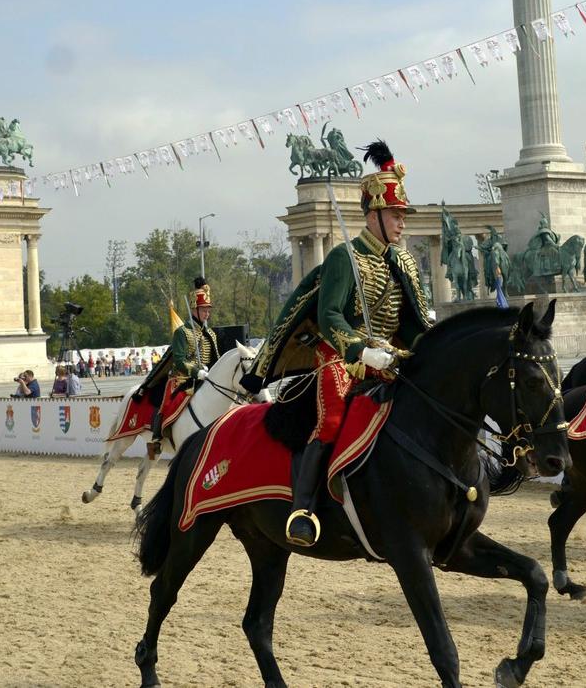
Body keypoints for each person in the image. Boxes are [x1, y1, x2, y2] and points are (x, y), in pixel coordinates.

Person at [244, 140, 433, 548]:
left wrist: (433, 348)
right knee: (331, 421)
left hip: (392, 359)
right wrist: (359, 350)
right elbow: (330, 315)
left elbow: (414, 324)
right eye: (396, 215)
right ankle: (304, 508)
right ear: (375, 215)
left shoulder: (403, 263)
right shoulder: (344, 258)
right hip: (340, 359)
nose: (403, 223)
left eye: (403, 215)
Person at [145, 277, 220, 459]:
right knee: (172, 402)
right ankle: (158, 436)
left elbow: (216, 358)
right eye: (203, 310)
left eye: (208, 310)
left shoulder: (210, 333)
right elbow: (178, 360)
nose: (207, 313)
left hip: (205, 378)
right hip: (182, 378)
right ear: (194, 309)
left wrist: (213, 372)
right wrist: (196, 371)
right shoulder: (182, 332)